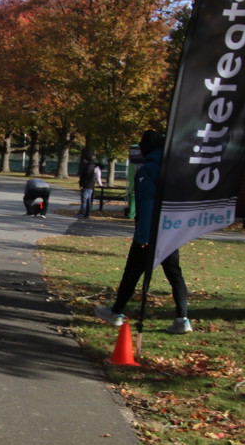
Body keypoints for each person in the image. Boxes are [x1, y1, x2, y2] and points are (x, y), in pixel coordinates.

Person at [94, 129, 192, 334]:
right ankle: (182, 319)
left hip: (151, 232)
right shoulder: (175, 169)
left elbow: (147, 204)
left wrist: (143, 236)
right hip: (171, 230)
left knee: (132, 273)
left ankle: (116, 312)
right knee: (174, 274)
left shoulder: (148, 170)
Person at [76, 153, 103, 218]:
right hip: (91, 185)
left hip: (86, 185)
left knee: (84, 200)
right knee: (88, 200)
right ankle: (87, 213)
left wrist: (82, 184)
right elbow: (97, 177)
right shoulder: (94, 167)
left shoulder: (87, 167)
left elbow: (85, 177)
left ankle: (82, 213)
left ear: (86, 160)